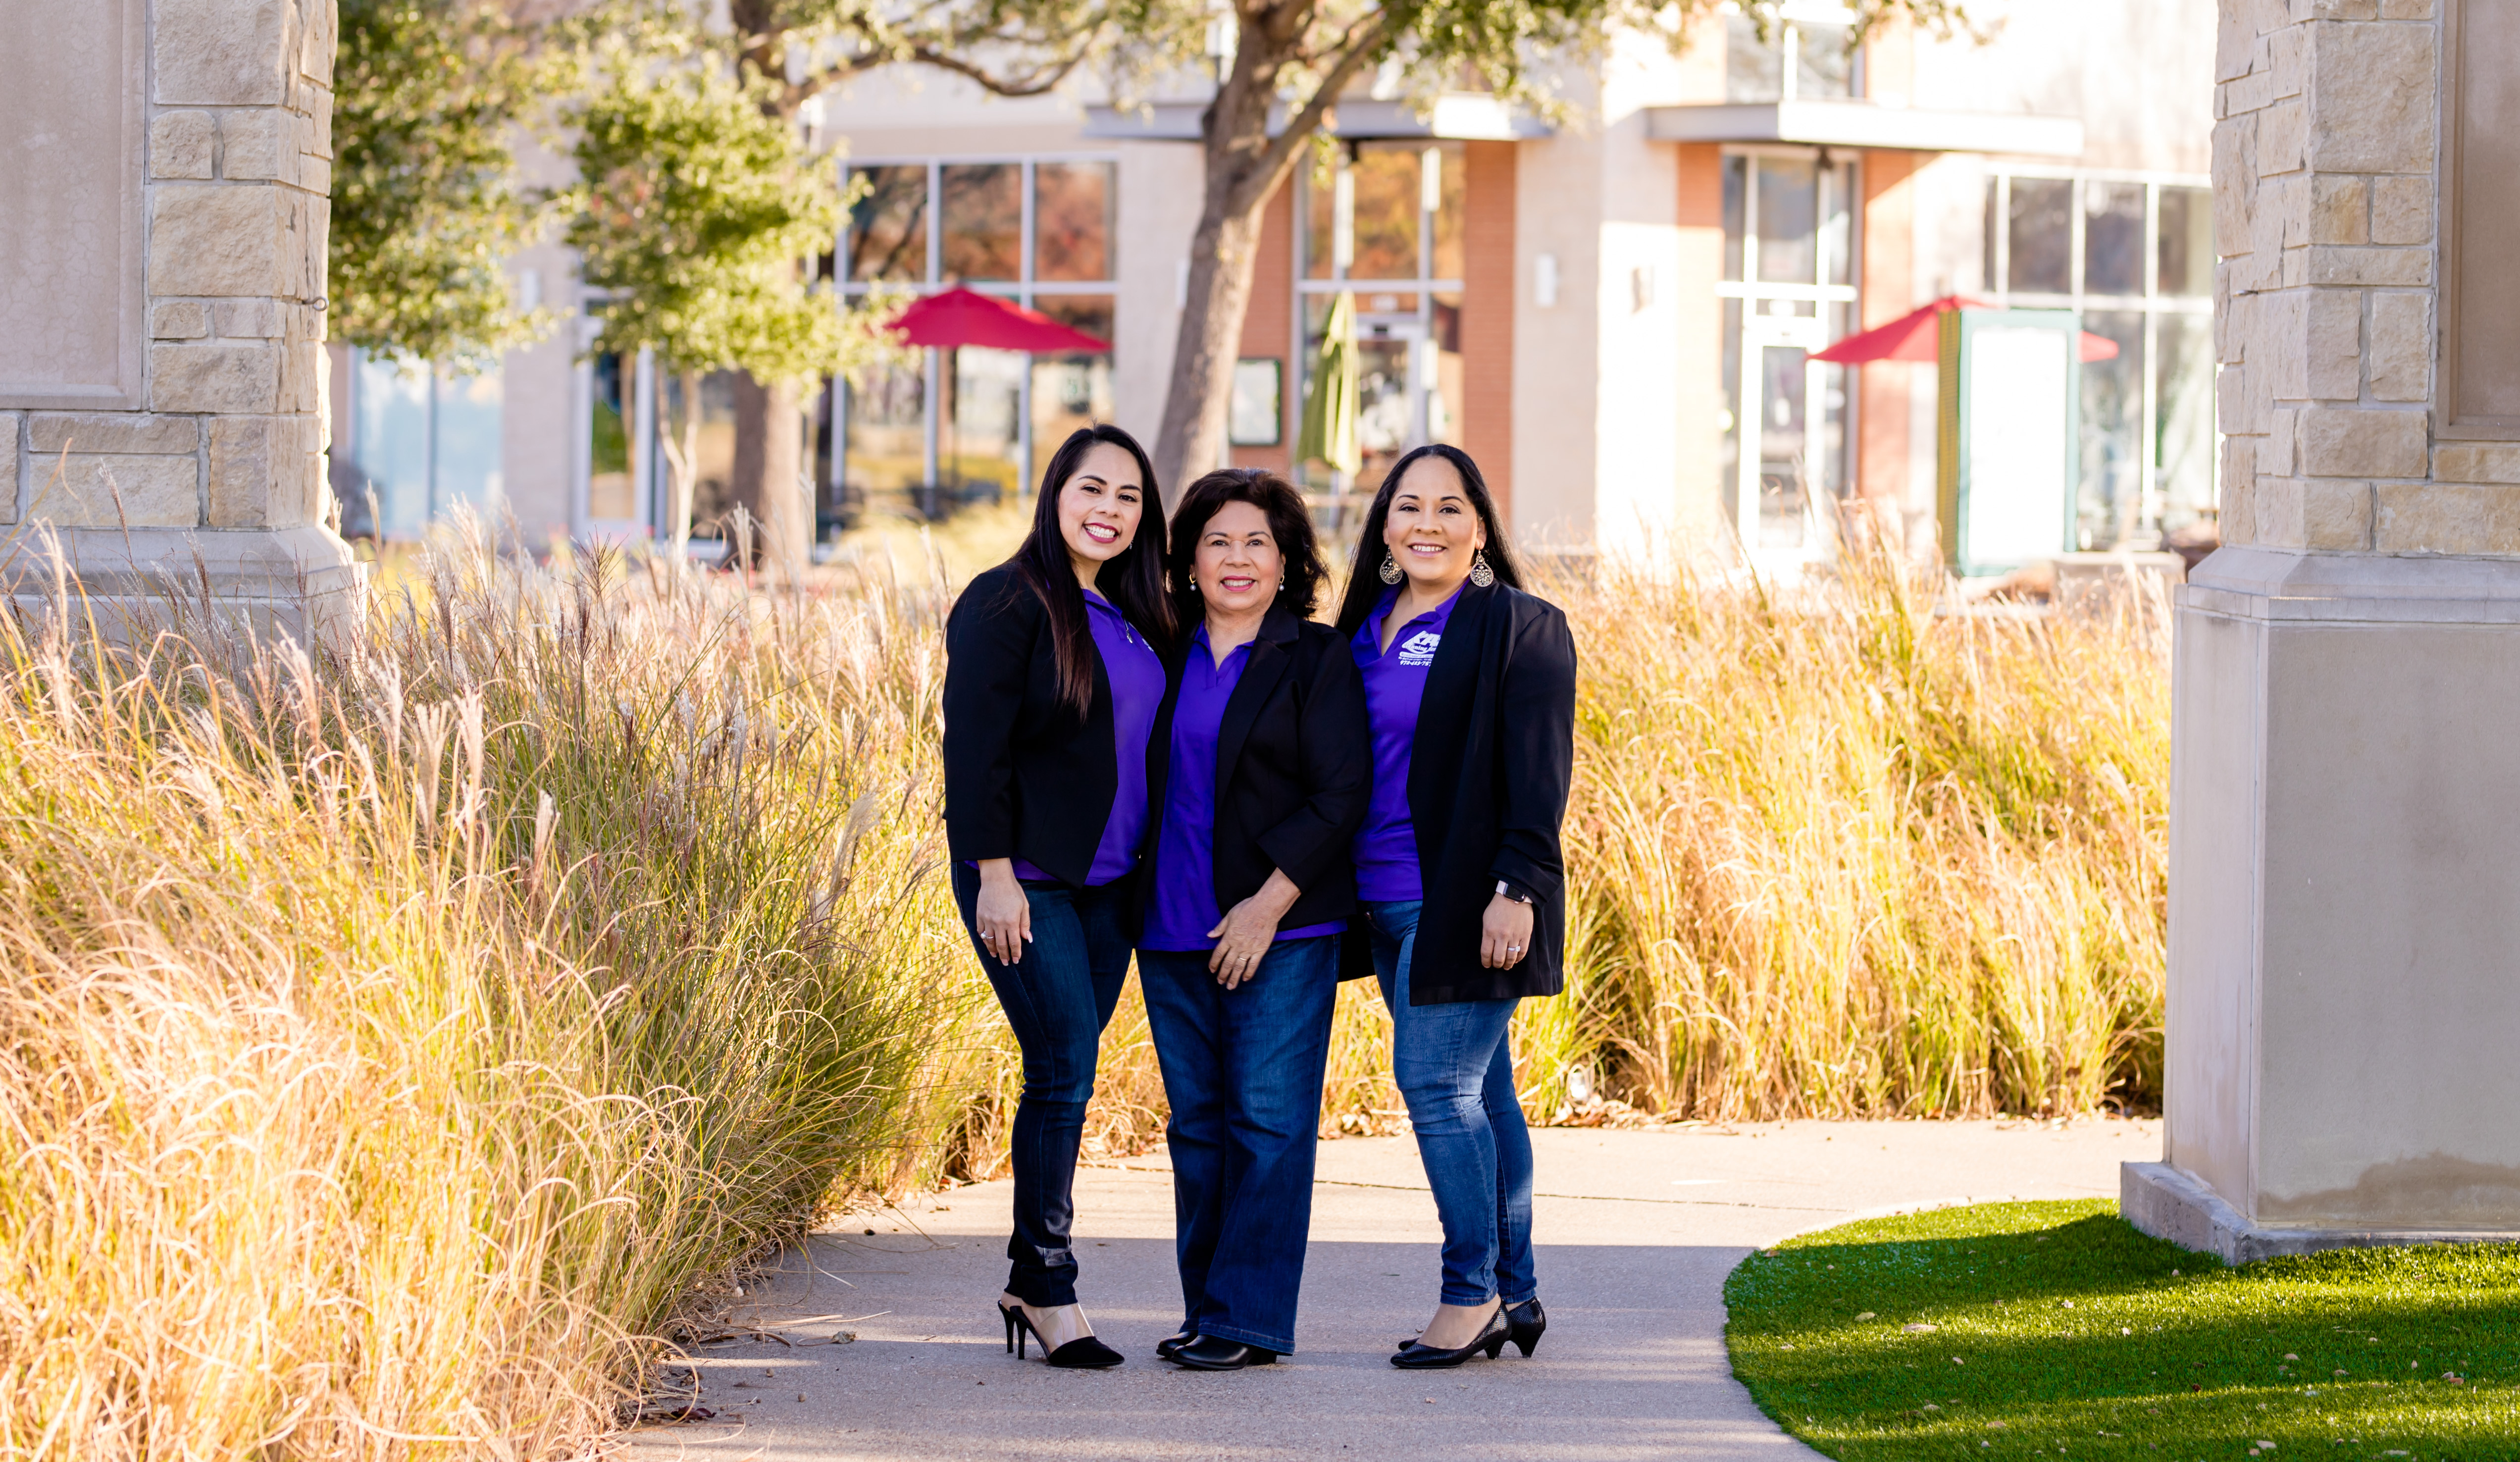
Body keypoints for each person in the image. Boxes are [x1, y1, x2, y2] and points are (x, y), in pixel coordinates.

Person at [1331, 444, 1578, 1371]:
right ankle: (1515, 1293)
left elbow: (1540, 779)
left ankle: (1469, 1294)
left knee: (1435, 1088)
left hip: (1465, 902)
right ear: (1383, 526)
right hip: (1378, 902)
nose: (1425, 524)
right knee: (1483, 1095)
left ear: (1479, 527)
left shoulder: (1520, 626)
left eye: (1447, 507)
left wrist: (1516, 891)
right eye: (1407, 507)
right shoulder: (1358, 629)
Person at [942, 424, 1175, 1369]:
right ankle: (1047, 1284)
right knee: (1062, 1068)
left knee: (1065, 1071)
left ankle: (1025, 1278)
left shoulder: (1134, 610)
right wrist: (994, 875)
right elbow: (973, 750)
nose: (1108, 509)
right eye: (1092, 488)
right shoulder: (1006, 599)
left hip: (1110, 886)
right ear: (1055, 494)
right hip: (1026, 882)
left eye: (1128, 496)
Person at [1133, 469, 1371, 1373]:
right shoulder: (1159, 652)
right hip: (1168, 928)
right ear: (1189, 560)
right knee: (1197, 1127)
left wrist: (1264, 909)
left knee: (1268, 1126)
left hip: (1282, 929)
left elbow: (1340, 793)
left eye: (1256, 543)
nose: (1237, 559)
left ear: (1285, 561)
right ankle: (1208, 1312)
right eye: (1218, 542)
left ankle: (1249, 1321)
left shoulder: (1314, 657)